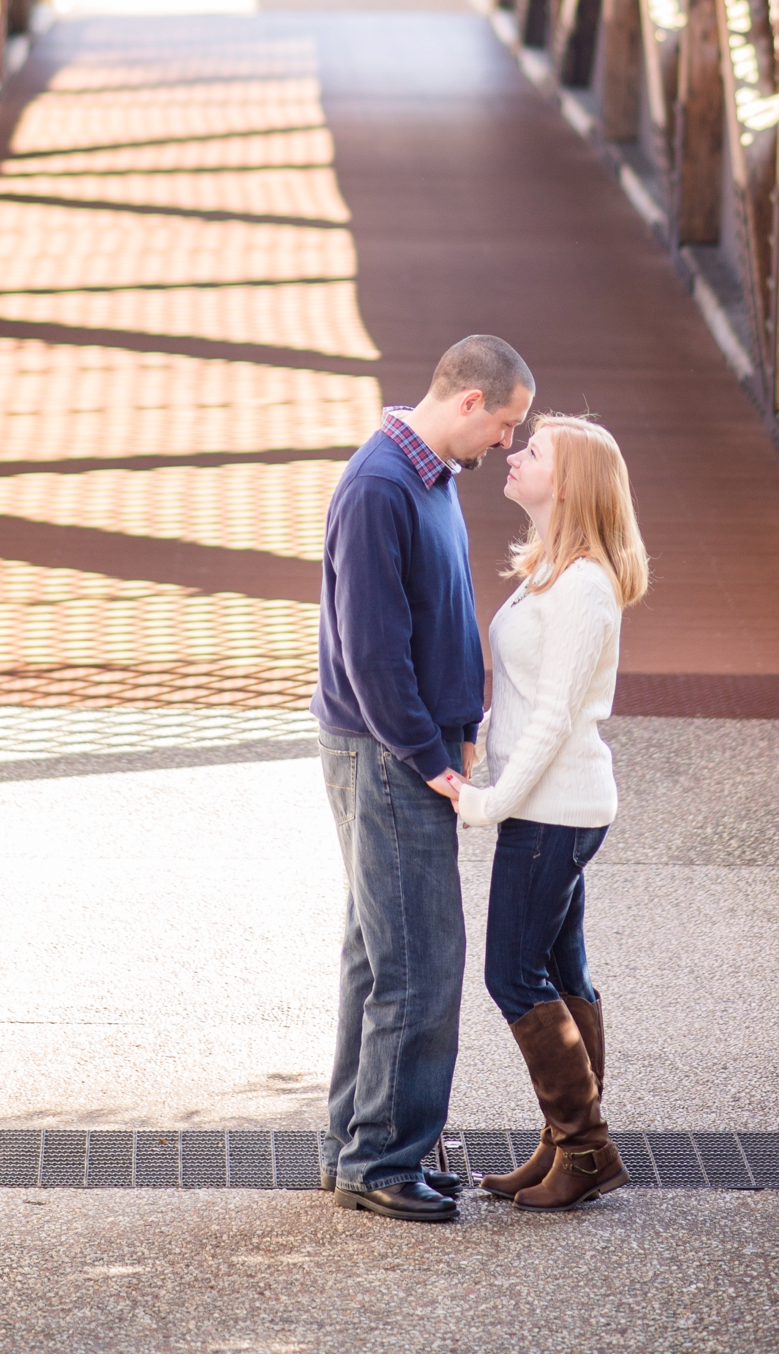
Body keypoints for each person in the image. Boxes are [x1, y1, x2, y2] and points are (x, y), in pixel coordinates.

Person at [314, 333, 535, 1223]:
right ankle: (384, 1160)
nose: (508, 447)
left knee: (379, 951)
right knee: (420, 956)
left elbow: (434, 616)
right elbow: (372, 652)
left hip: (408, 745)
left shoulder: (431, 476)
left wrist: (460, 726)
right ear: (470, 403)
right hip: (387, 752)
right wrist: (430, 754)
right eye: (508, 425)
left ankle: (358, 1144)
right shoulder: (380, 486)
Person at [452, 414, 649, 1212]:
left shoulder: (583, 588)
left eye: (533, 452)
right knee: (561, 971)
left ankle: (586, 1147)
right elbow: (523, 699)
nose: (515, 454)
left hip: (553, 813)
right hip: (553, 807)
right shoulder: (550, 570)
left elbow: (555, 717)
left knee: (512, 974)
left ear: (566, 485)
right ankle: (563, 1141)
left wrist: (489, 802)